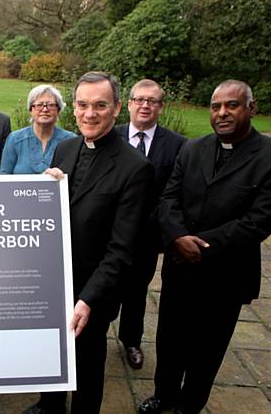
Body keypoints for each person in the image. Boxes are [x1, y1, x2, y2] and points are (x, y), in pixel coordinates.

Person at [138, 80, 271, 414]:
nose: (222, 113)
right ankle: (163, 395)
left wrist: (203, 248)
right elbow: (169, 198)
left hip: (225, 274)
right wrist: (177, 237)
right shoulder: (192, 148)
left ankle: (189, 404)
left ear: (251, 109)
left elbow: (259, 221)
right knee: (169, 340)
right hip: (179, 267)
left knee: (207, 349)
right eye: (215, 106)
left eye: (232, 105)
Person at [25, 72, 155, 414]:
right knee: (49, 355)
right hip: (52, 283)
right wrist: (44, 188)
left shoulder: (135, 168)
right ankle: (48, 406)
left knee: (86, 366)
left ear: (115, 110)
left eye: (100, 105)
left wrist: (88, 300)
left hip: (92, 292)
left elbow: (122, 248)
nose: (90, 113)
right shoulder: (65, 148)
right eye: (82, 105)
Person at [114, 79, 186, 369]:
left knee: (136, 292)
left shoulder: (177, 145)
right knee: (104, 289)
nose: (145, 105)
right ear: (129, 104)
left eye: (152, 101)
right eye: (140, 99)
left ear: (160, 107)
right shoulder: (111, 136)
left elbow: (175, 192)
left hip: (146, 236)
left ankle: (131, 340)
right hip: (108, 233)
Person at [0, 84, 75, 174]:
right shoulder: (15, 139)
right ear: (31, 110)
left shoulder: (71, 141)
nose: (45, 109)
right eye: (39, 105)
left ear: (58, 110)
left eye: (51, 105)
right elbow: (4, 176)